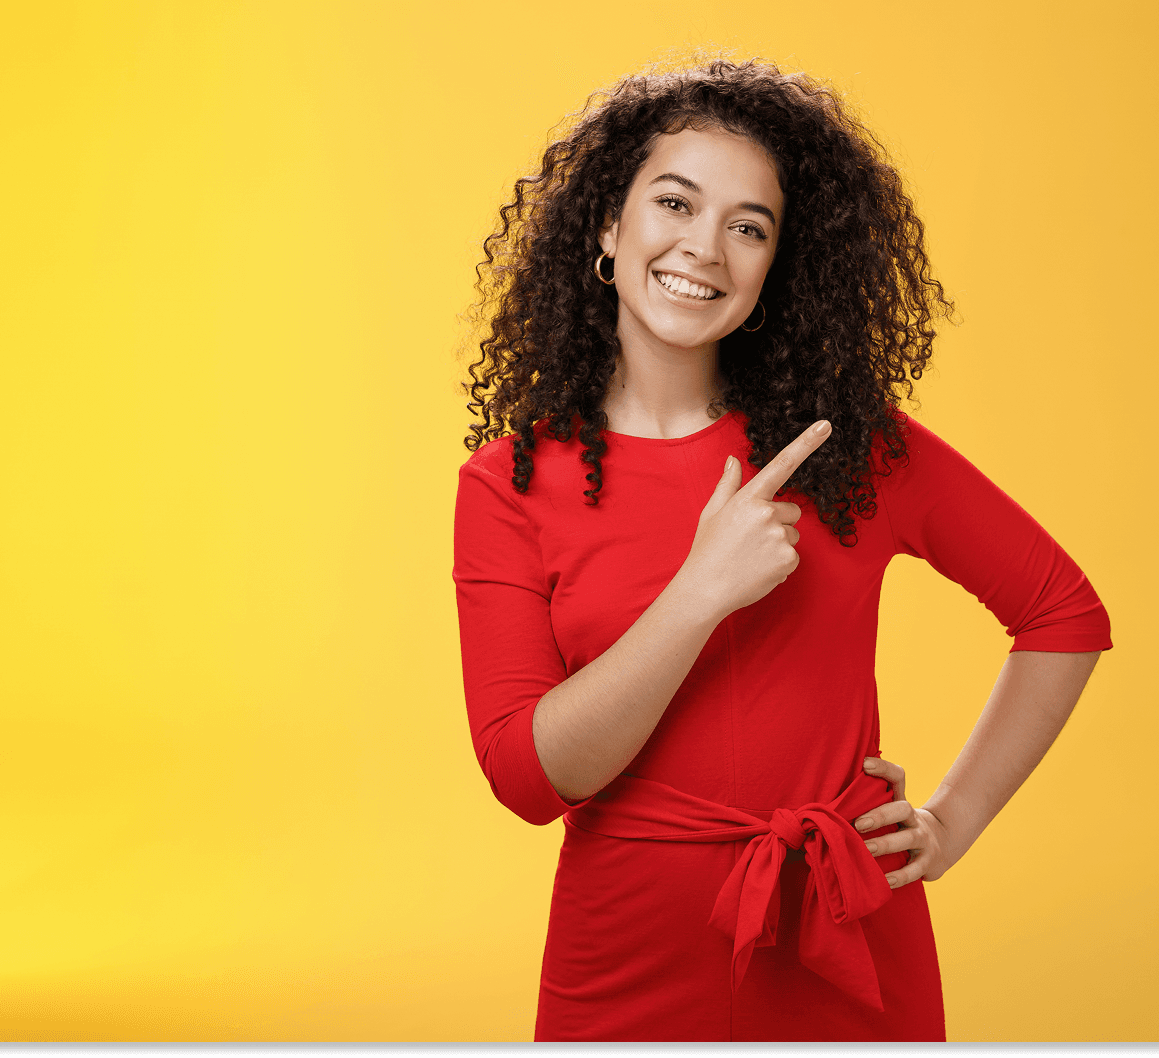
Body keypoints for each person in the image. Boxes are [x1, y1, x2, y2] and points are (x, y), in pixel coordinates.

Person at [452, 58, 1111, 1043]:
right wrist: (698, 593)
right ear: (607, 226)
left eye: (749, 226)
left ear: (773, 269)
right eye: (675, 202)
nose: (704, 246)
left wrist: (950, 819)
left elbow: (1064, 613)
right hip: (624, 955)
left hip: (846, 936)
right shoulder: (506, 484)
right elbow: (529, 780)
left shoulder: (847, 448)